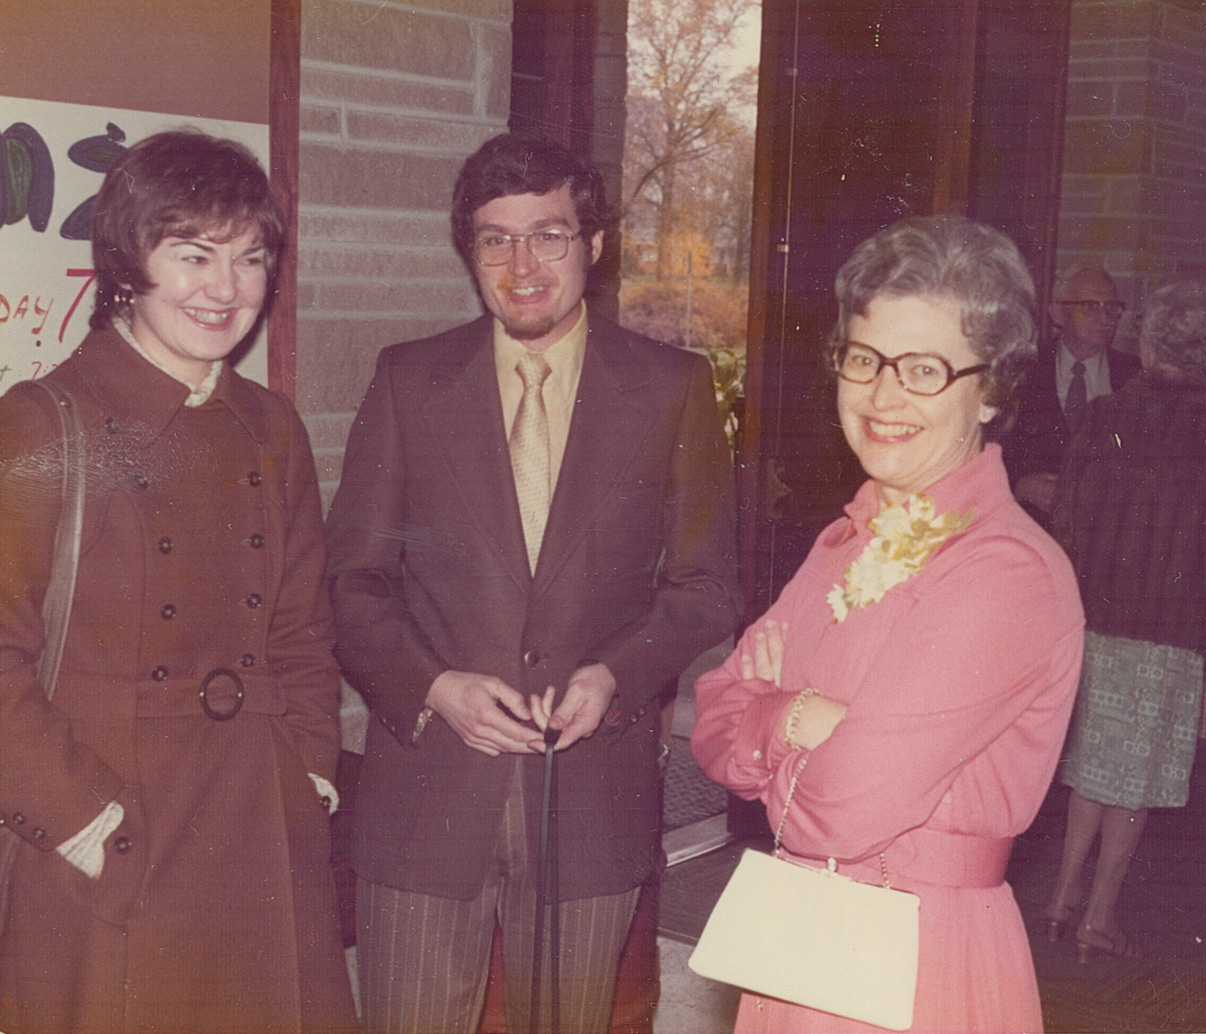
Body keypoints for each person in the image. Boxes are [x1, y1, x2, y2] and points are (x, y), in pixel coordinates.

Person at [324, 132, 739, 1034]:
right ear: (469, 253)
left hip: (590, 798)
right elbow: (351, 582)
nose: (521, 266)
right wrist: (433, 685)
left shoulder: (672, 388)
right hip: (428, 796)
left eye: (547, 236)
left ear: (593, 245)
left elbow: (707, 585)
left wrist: (616, 675)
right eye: (496, 240)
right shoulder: (408, 381)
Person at [691, 215, 1085, 1032]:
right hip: (799, 941)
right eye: (864, 359)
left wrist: (773, 712)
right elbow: (713, 722)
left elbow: (838, 809)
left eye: (924, 370)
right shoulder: (846, 537)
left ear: (992, 391)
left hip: (914, 962)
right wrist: (800, 717)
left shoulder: (1005, 572)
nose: (881, 396)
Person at [0, 130, 356, 1033]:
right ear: (128, 263)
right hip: (111, 833)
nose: (225, 289)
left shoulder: (270, 427)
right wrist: (86, 825)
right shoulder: (44, 423)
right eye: (193, 254)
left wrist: (308, 777)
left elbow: (302, 631)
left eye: (249, 258)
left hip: (259, 830)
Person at [1042, 279, 1206, 965]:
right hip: (1171, 632)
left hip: (1095, 621)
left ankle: (1061, 898)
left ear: (1150, 342)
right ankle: (1099, 917)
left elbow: (1065, 527)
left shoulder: (1103, 416)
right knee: (1132, 777)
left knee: (1092, 766)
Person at [1005, 265, 1139, 518]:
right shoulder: (1021, 371)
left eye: (1111, 308)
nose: (1105, 319)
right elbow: (986, 446)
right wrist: (1017, 485)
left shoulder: (1136, 376)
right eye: (1089, 306)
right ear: (1057, 313)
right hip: (1034, 524)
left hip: (1107, 527)